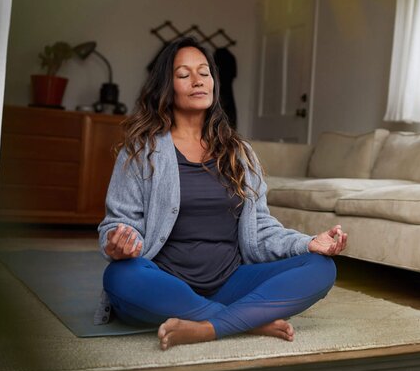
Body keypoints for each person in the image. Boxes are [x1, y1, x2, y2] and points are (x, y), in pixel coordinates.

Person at [96, 36, 347, 350]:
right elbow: (116, 225)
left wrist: (309, 242)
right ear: (166, 86)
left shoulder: (239, 153)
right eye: (184, 75)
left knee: (320, 267)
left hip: (230, 283)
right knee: (120, 276)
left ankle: (206, 327)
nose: (198, 80)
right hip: (166, 283)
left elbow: (263, 230)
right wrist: (120, 243)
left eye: (204, 72)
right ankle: (249, 321)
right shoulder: (141, 151)